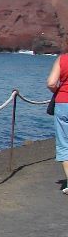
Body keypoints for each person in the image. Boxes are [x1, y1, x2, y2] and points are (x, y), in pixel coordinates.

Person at [47, 50, 68, 192]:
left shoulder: (62, 59)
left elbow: (51, 83)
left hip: (64, 103)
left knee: (64, 144)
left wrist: (58, 90)